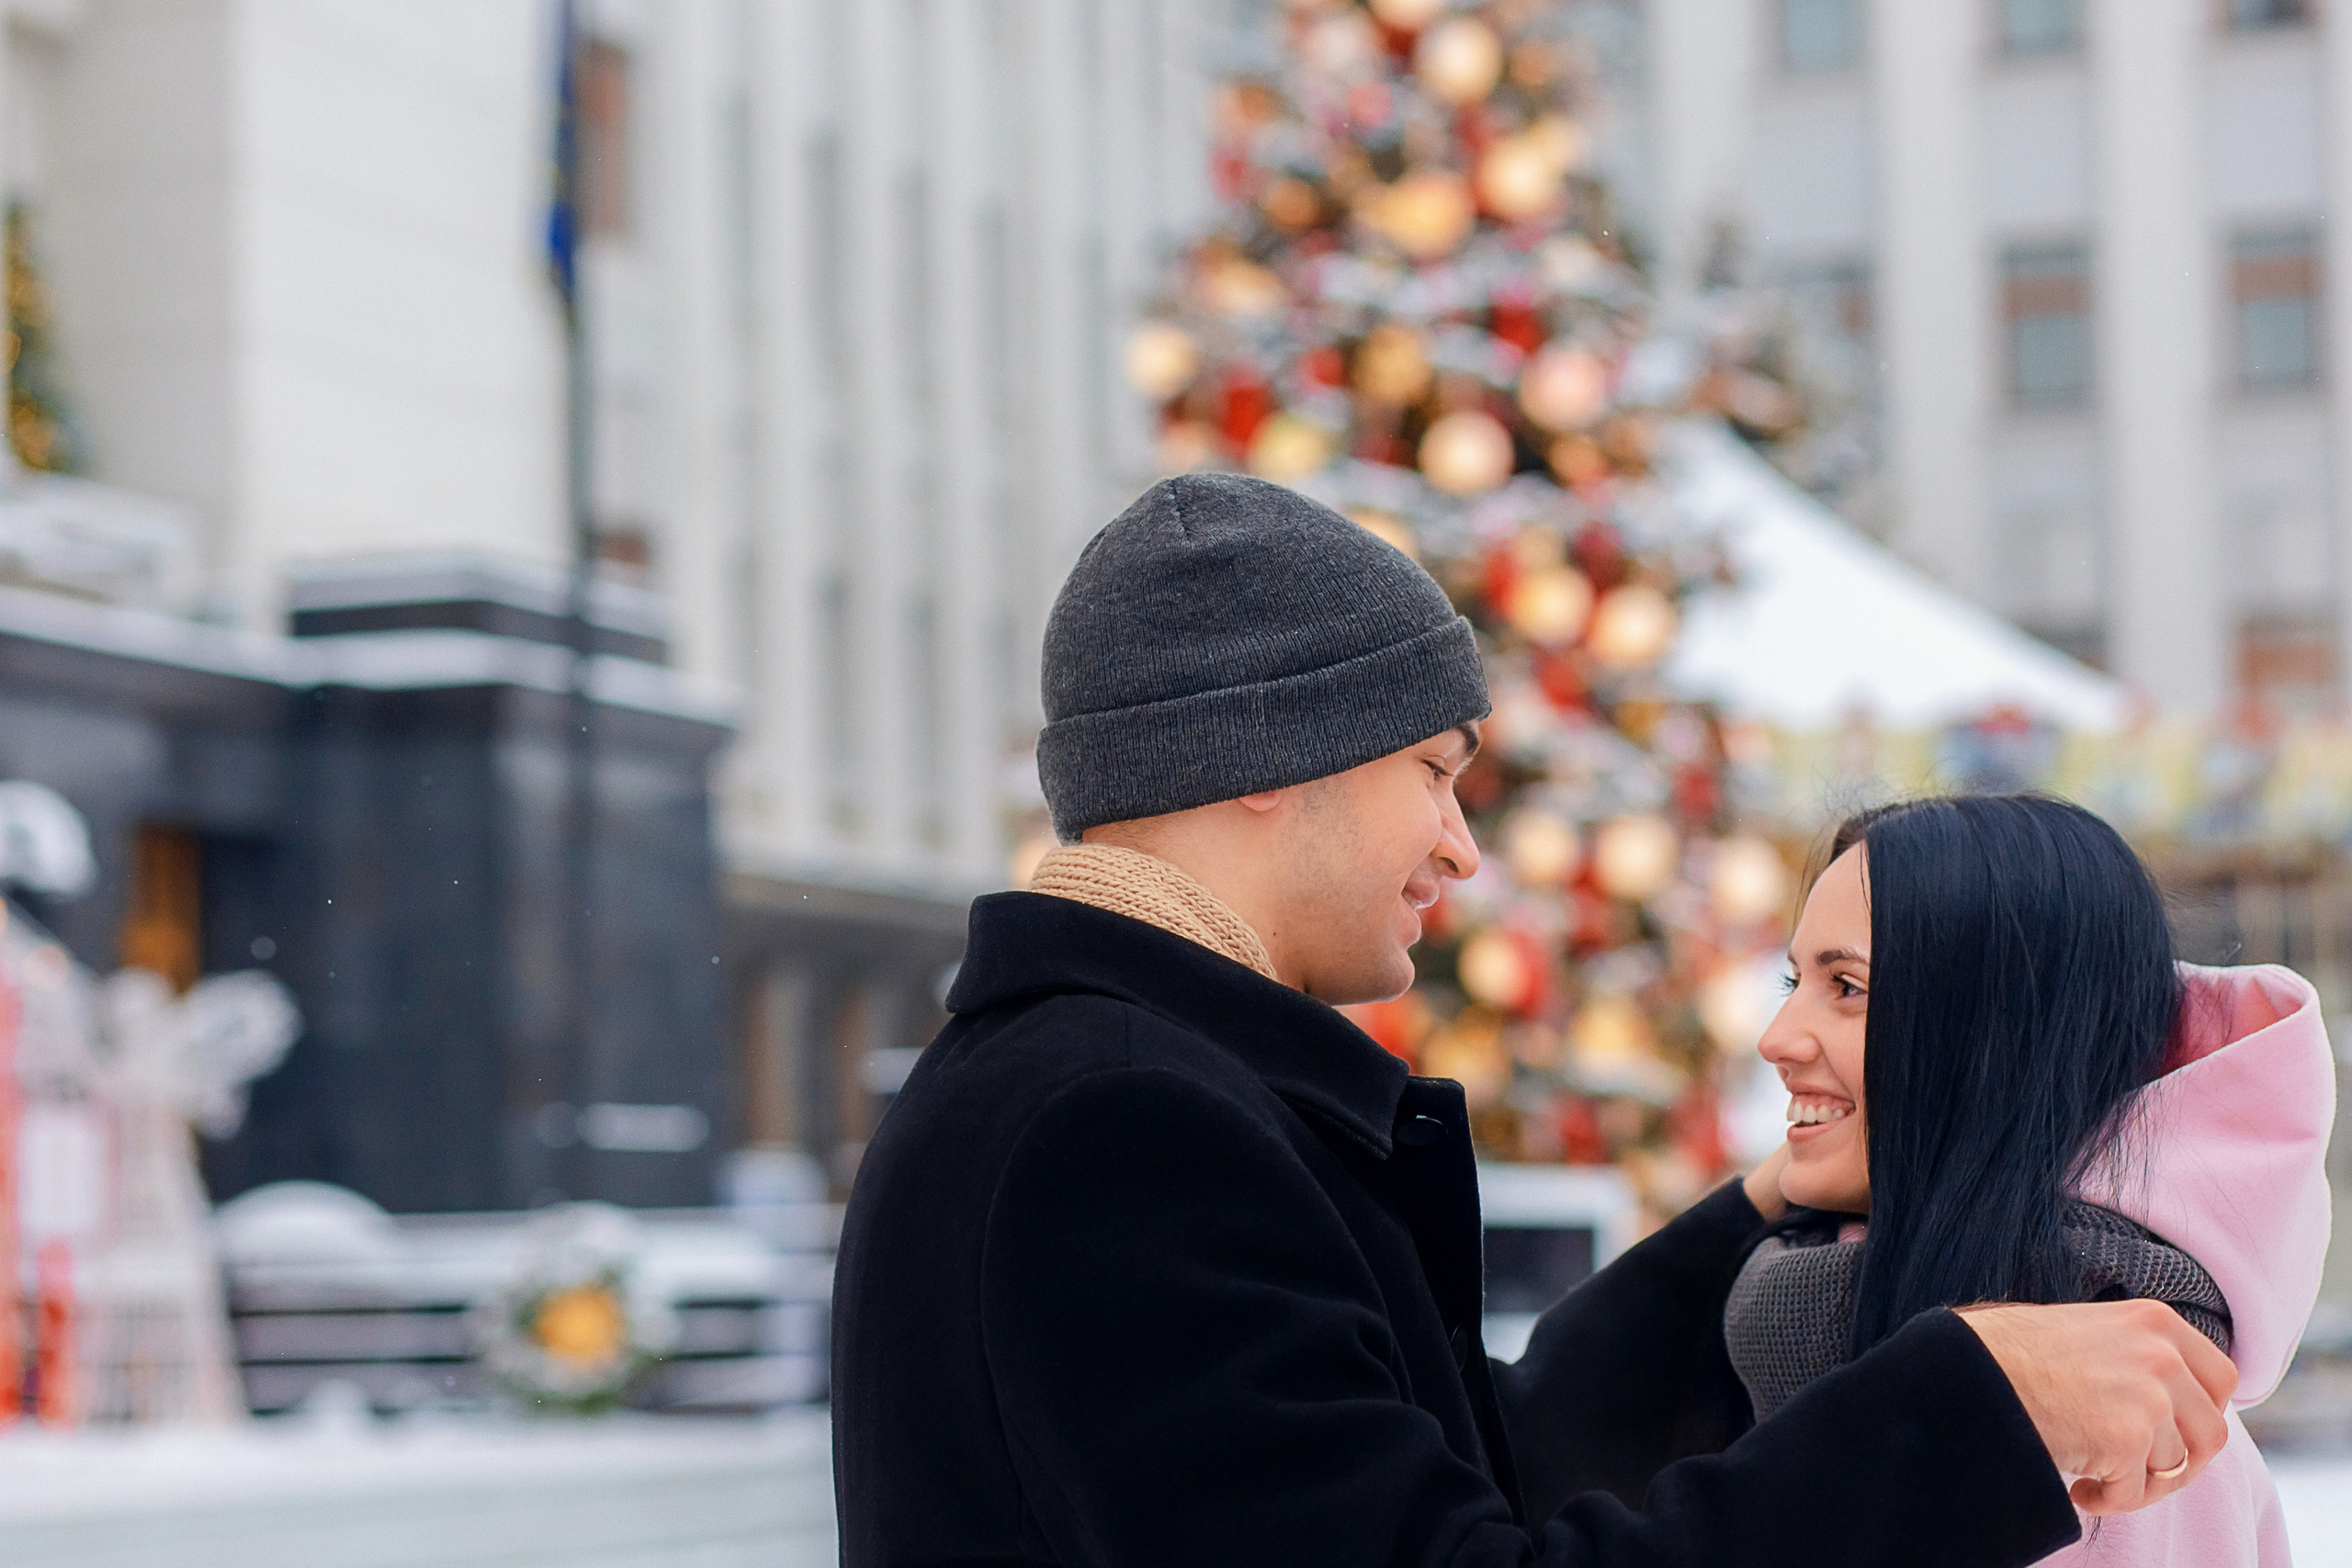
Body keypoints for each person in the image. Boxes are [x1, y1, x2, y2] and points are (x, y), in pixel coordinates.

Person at [831, 474, 2238, 1568]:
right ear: (1266, 751)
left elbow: (1472, 1464)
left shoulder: (1091, 1081)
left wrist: (1752, 1211)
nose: (1459, 848)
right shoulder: (1121, 1126)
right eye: (1435, 771)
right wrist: (1974, 1409)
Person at [1704, 795, 2331, 1566]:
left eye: (1848, 987)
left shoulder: (2106, 1449)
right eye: (1793, 981)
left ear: (1996, 1037)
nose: (1776, 1038)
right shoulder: (1818, 1309)